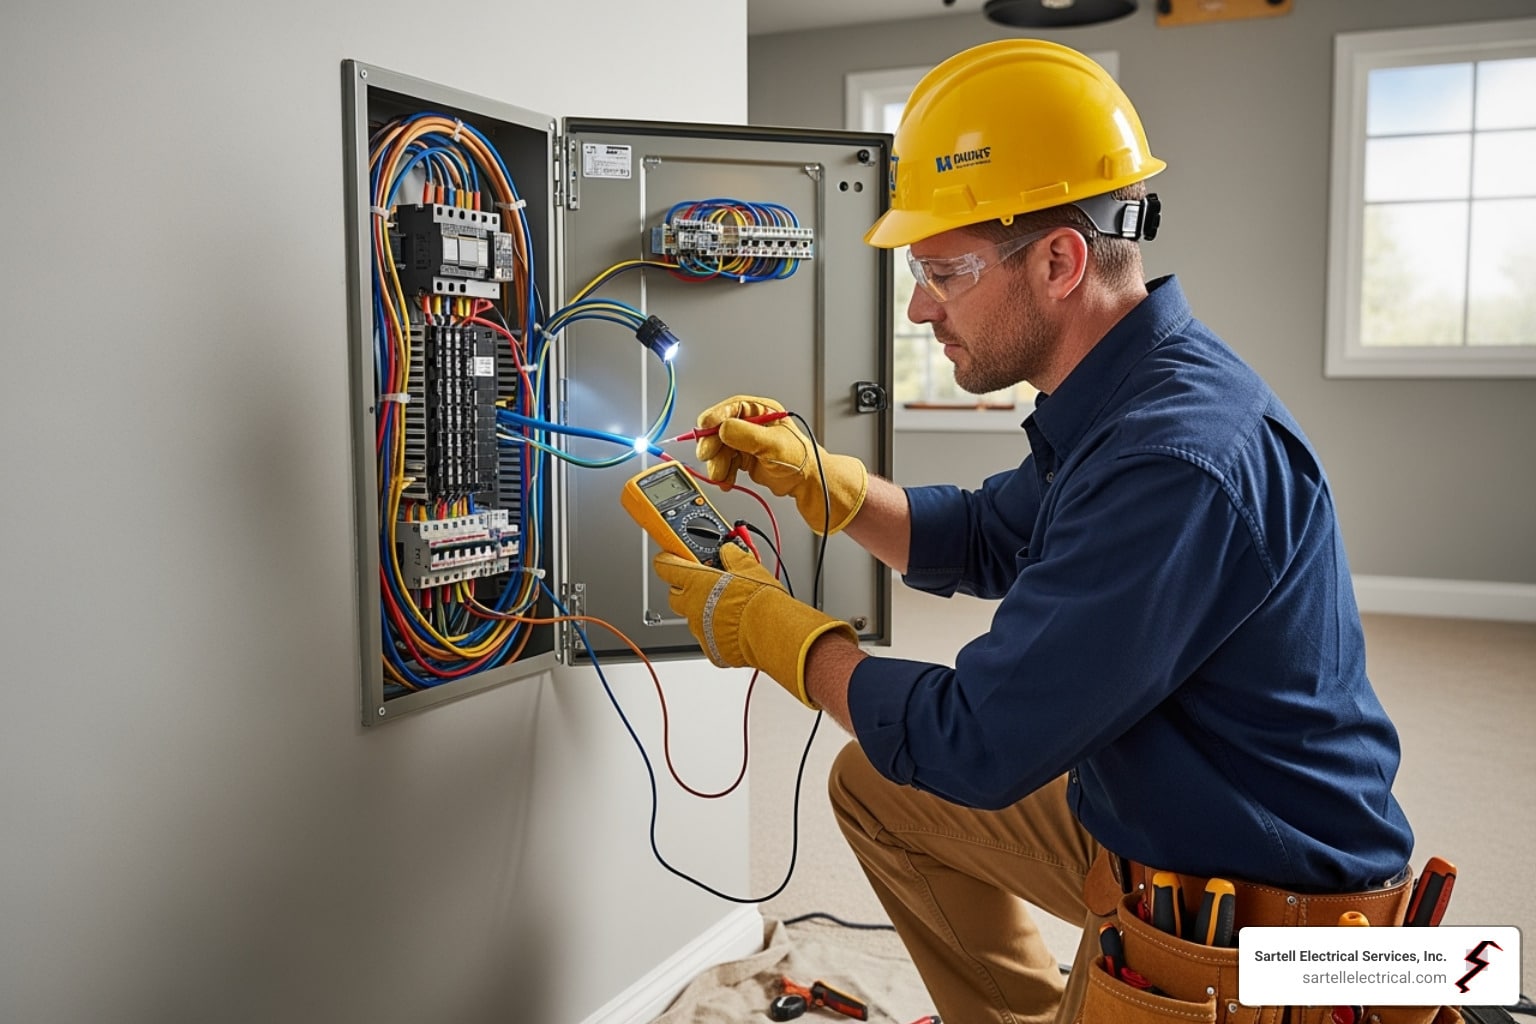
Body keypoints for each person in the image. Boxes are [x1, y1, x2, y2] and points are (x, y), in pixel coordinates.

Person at [651, 39, 1418, 1024]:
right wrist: (828, 486)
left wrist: (783, 639)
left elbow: (976, 741)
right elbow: (984, 536)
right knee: (878, 784)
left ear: (1059, 259)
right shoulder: (1123, 391)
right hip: (1155, 835)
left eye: (945, 271)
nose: (922, 306)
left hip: (1269, 939)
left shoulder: (1173, 457)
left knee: (925, 753)